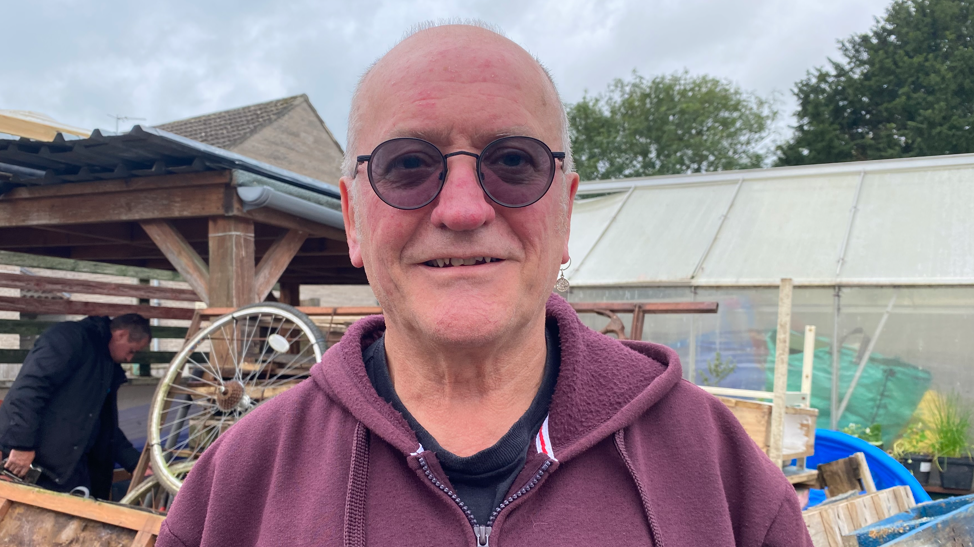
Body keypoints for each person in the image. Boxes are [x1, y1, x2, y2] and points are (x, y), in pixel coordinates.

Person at [159, 23, 812, 546]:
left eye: (513, 162)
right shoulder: (238, 486)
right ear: (354, 216)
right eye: (408, 165)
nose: (464, 209)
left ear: (563, 214)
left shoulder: (717, 471)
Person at [0, 313, 150, 499]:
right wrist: (21, 445)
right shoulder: (68, 338)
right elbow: (29, 390)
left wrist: (135, 463)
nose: (129, 359)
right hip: (35, 465)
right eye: (131, 351)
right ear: (121, 334)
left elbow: (104, 425)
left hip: (69, 471)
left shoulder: (105, 365)